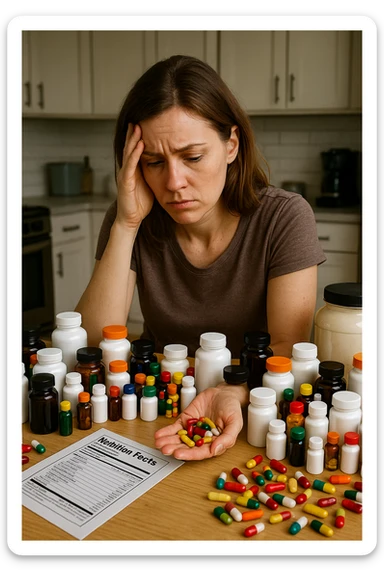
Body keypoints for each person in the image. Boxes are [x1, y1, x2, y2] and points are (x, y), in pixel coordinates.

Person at [75, 54, 326, 461]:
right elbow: (87, 340)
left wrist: (234, 391)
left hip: (248, 409)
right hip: (154, 404)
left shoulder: (284, 217)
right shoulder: (132, 218)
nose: (173, 183)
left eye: (192, 157)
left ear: (231, 144)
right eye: (154, 163)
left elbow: (286, 347)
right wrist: (125, 224)